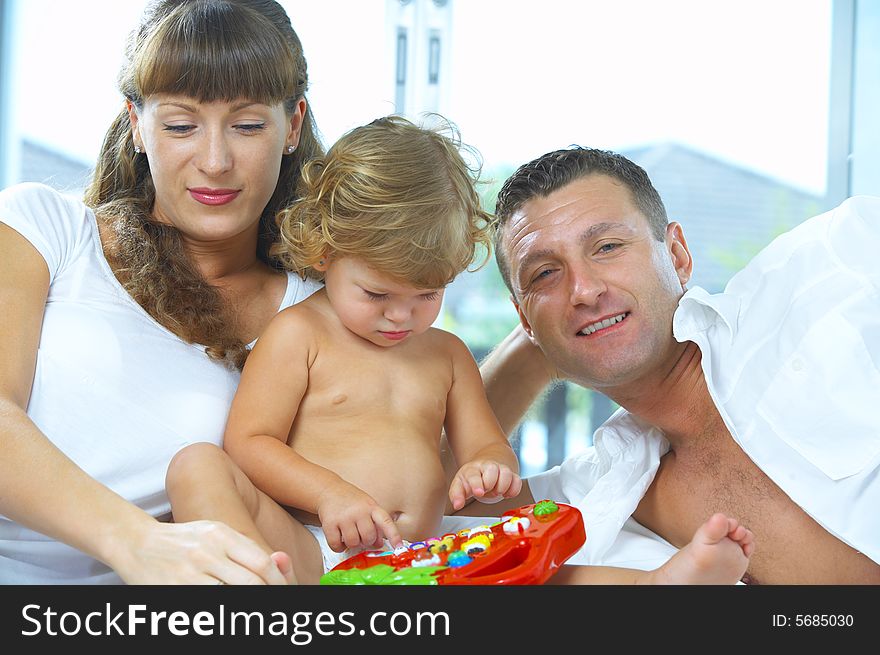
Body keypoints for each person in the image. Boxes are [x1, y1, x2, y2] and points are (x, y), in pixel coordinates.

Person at [166, 116, 755, 585]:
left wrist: (487, 469)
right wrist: (329, 495)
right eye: (377, 294)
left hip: (422, 556)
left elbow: (484, 442)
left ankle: (653, 589)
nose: (401, 316)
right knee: (196, 466)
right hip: (311, 548)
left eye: (427, 294)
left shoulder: (444, 355)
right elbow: (249, 441)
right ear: (325, 252)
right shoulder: (300, 334)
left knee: (537, 566)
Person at [0, 0, 325, 584]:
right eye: (180, 125)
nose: (215, 161)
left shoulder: (316, 313)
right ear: (137, 125)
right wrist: (137, 541)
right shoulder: (43, 229)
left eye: (248, 125)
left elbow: (396, 473)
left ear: (292, 126)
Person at [476, 146, 880, 584]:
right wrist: (541, 345)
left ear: (678, 256)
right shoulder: (601, 484)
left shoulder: (835, 265)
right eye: (545, 274)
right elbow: (422, 505)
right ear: (524, 321)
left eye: (607, 247)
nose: (584, 290)